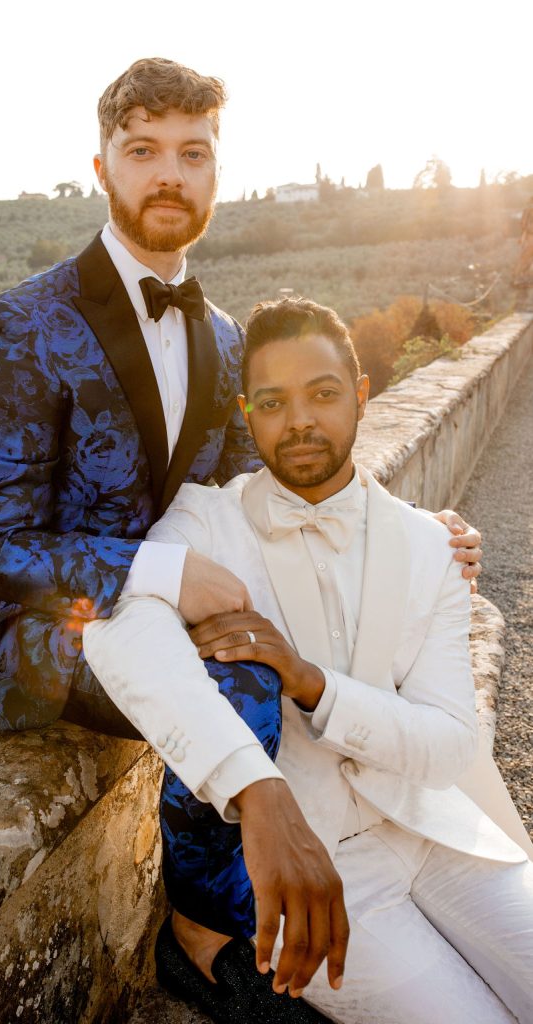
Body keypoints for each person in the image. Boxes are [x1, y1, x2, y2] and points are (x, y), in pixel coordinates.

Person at [0, 56, 481, 740]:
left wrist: (412, 527)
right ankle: (250, 850)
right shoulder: (19, 323)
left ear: (215, 176)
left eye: (192, 153)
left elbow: (259, 486)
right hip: (40, 641)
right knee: (241, 685)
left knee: (351, 643)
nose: (170, 173)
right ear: (102, 169)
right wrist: (166, 572)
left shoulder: (227, 338)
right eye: (143, 150)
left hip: (178, 614)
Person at [84, 297, 533, 1024]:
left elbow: (450, 743)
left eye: (322, 394)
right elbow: (115, 626)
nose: (298, 421)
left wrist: (312, 683)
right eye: (272, 402)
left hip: (436, 831)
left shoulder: (429, 543)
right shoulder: (206, 520)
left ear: (359, 394)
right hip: (313, 864)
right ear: (246, 413)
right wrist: (251, 786)